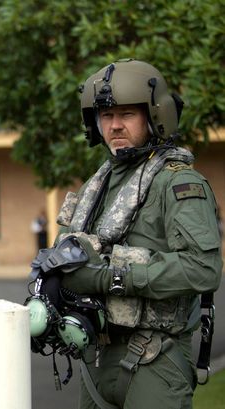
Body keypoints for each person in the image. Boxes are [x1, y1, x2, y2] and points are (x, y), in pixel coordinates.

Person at [54, 59, 222, 408]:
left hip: (155, 356)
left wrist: (109, 278)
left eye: (127, 114)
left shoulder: (179, 184)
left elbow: (203, 270)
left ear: (155, 116)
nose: (115, 125)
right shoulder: (97, 186)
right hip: (96, 358)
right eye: (106, 115)